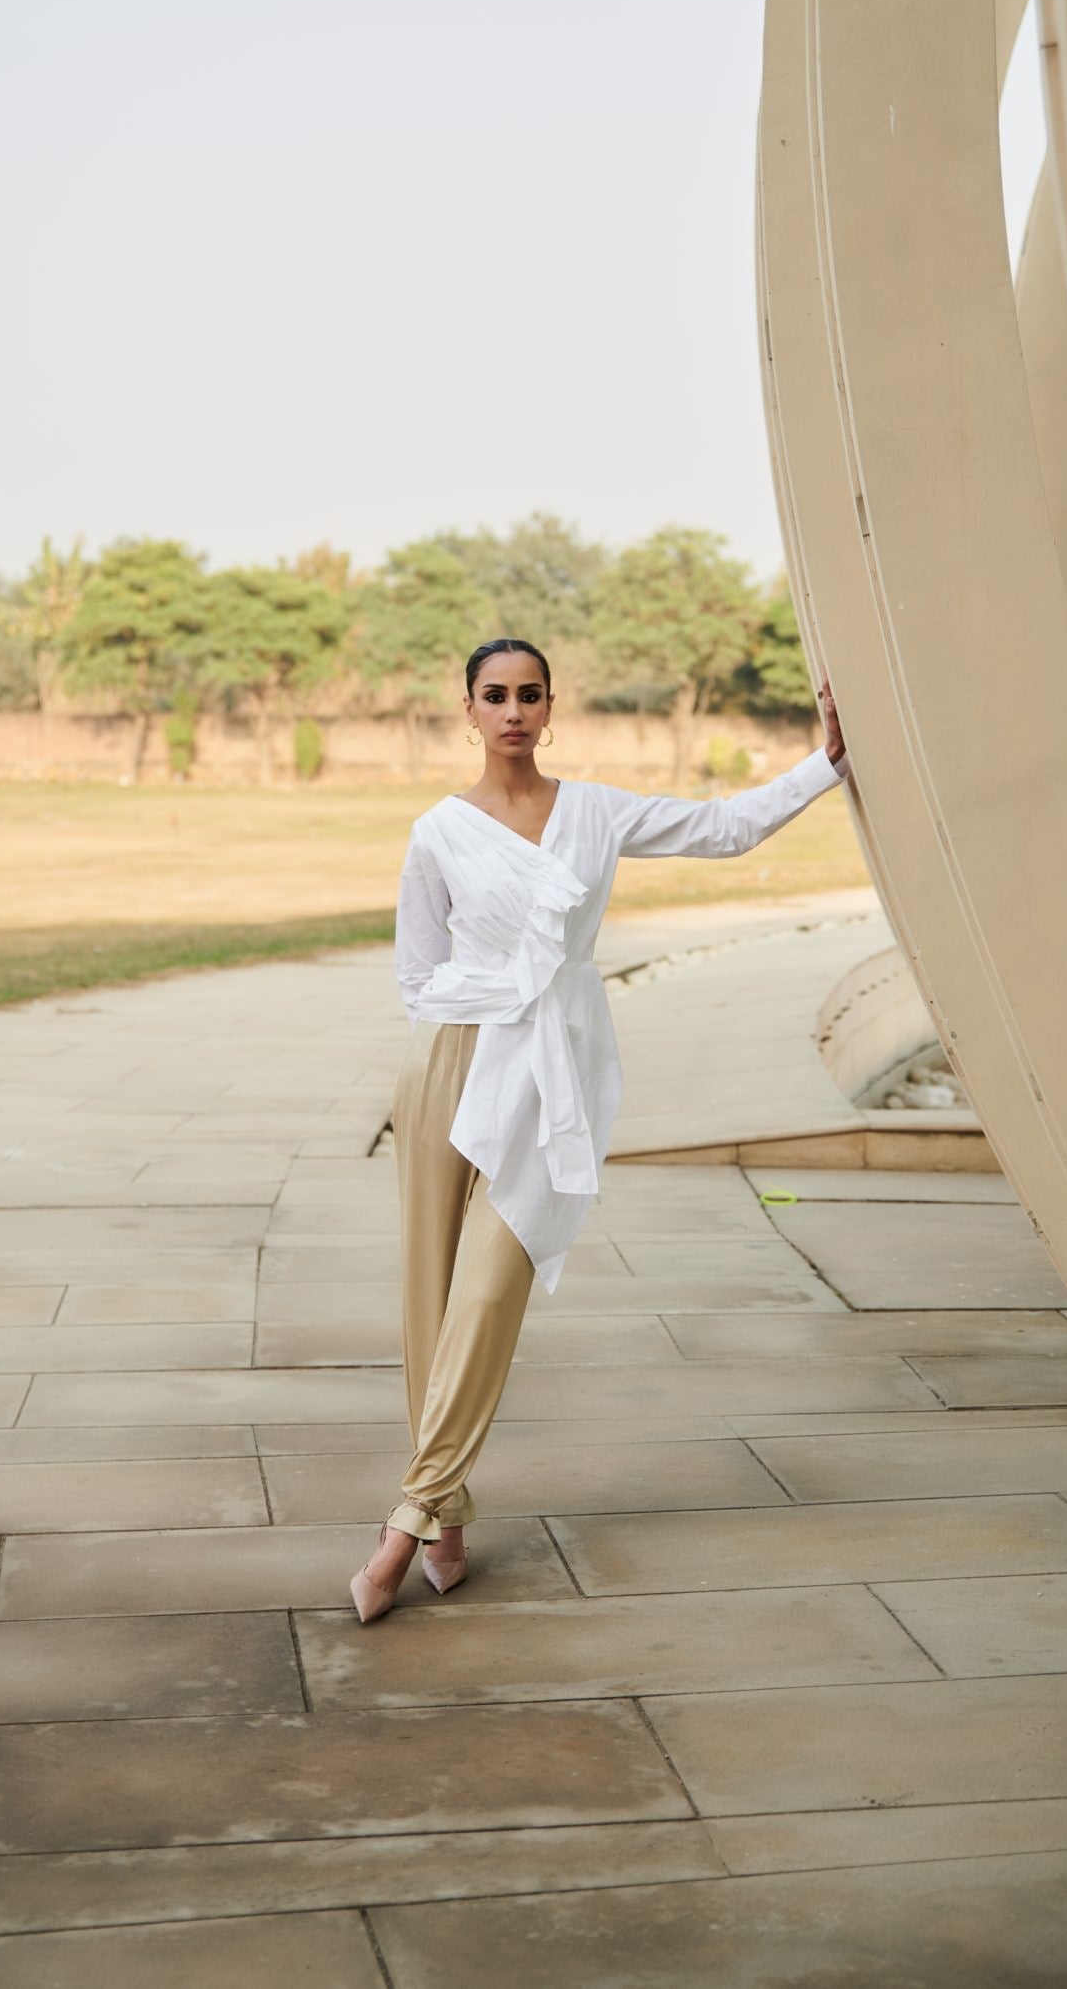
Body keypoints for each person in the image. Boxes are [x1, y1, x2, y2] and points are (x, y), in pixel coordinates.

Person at [348, 636, 849, 1622]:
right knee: (432, 1300)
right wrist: (514, 984)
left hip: (548, 1080)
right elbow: (416, 980)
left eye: (528, 695)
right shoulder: (437, 833)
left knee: (490, 1294)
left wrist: (822, 764)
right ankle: (446, 1508)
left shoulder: (594, 812)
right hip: (452, 1066)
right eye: (493, 695)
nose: (512, 712)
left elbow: (723, 829)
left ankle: (403, 1524)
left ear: (548, 706)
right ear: (466, 708)